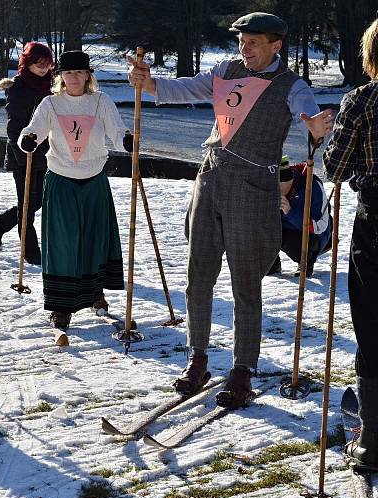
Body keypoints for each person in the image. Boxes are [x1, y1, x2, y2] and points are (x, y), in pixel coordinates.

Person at [127, 12, 333, 408]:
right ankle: (197, 358)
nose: (245, 48)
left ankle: (243, 371)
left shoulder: (291, 85)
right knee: (198, 275)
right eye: (242, 41)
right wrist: (148, 82)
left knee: (245, 284)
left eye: (254, 42)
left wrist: (315, 123)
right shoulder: (225, 70)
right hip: (210, 182)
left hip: (253, 191)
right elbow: (184, 89)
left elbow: (308, 110)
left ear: (276, 45)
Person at [19, 50, 132, 332]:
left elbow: (116, 132)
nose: (74, 78)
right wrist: (28, 140)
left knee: (95, 238)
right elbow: (32, 132)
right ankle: (60, 306)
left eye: (79, 73)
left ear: (88, 76)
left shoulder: (101, 102)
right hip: (61, 179)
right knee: (63, 243)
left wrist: (127, 141)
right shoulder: (51, 104)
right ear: (60, 77)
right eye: (68, 73)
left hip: (93, 179)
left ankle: (95, 294)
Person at [323, 17, 378, 474]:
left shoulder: (361, 101)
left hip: (377, 223)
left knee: (373, 323)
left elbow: (335, 169)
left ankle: (374, 439)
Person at [0, 42, 54, 265]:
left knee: (37, 201)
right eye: (38, 63)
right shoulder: (18, 88)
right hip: (22, 155)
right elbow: (14, 128)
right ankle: (31, 253)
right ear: (28, 63)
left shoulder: (51, 86)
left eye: (47, 63)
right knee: (27, 205)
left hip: (45, 155)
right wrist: (24, 155)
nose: (43, 67)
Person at [267, 156, 332, 277]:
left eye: (277, 186)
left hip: (314, 235)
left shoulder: (312, 186)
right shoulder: (273, 191)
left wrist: (289, 211)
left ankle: (306, 262)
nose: (275, 191)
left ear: (288, 181)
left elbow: (320, 226)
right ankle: (272, 264)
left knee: (289, 239)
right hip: (286, 230)